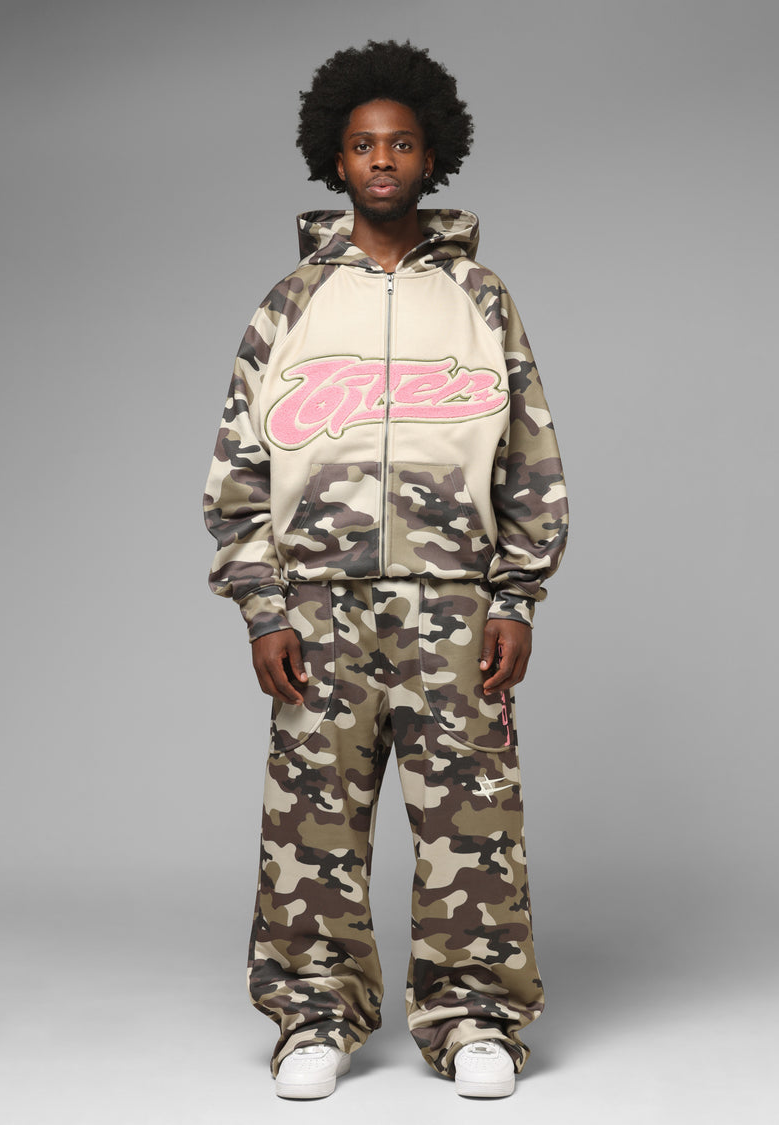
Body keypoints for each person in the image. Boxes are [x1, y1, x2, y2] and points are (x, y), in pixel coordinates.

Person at [203, 40, 568, 1100]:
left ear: (432, 156)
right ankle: (314, 1014)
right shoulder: (290, 304)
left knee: (474, 820)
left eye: (401, 144)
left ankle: (476, 1017)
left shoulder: (482, 299)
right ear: (335, 158)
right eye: (363, 145)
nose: (381, 160)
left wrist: (516, 596)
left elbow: (531, 460)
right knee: (310, 820)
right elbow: (240, 467)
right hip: (318, 609)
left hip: (454, 605)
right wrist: (263, 607)